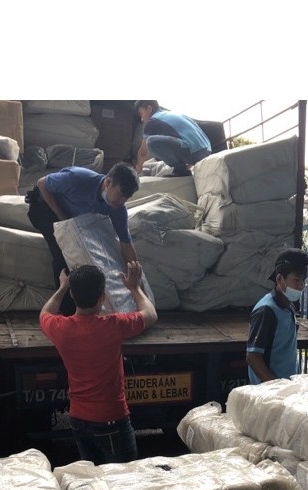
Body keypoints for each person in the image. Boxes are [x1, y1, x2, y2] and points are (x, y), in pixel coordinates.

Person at [39, 261, 157, 464]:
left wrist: (62, 287)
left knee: (93, 476)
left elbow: (44, 313)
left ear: (73, 295)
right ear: (103, 296)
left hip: (77, 419)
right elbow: (151, 314)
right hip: (111, 418)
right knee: (123, 478)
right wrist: (135, 288)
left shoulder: (60, 328)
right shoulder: (114, 324)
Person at [26, 162, 140, 315]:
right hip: (45, 205)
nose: (121, 201)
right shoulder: (78, 179)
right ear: (108, 182)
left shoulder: (117, 208)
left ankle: (87, 308)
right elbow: (42, 184)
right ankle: (67, 313)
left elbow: (125, 242)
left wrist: (136, 275)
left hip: (74, 218)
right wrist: (62, 218)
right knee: (63, 255)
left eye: (126, 197)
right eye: (120, 193)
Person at [245, 248, 308, 384]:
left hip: (287, 388)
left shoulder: (288, 306)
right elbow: (253, 357)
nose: (301, 286)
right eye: (296, 280)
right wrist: (276, 387)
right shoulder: (266, 310)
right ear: (279, 279)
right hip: (270, 392)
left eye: (303, 281)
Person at [134, 101, 212, 177]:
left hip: (195, 153)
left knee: (151, 142)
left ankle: (180, 170)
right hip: (208, 151)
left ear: (149, 109)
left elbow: (143, 152)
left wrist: (137, 170)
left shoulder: (153, 120)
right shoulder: (174, 115)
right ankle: (185, 166)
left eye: (142, 114)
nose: (142, 119)